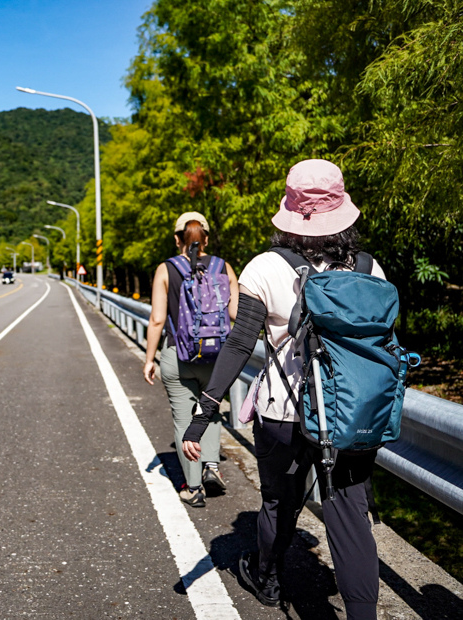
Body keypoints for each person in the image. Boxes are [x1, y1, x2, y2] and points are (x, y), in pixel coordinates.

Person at [181, 159, 385, 618]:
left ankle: (267, 580)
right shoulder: (372, 270)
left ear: (291, 212)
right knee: (350, 519)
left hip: (283, 412)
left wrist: (201, 418)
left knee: (278, 501)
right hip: (350, 415)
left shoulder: (266, 268)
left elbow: (237, 345)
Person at [143, 212, 239, 507]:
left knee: (184, 417)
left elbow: (158, 319)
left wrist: (149, 359)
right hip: (217, 357)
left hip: (177, 355)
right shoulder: (223, 267)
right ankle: (212, 465)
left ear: (177, 239)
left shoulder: (166, 269)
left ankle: (193, 486)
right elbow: (235, 315)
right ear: (206, 238)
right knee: (210, 411)